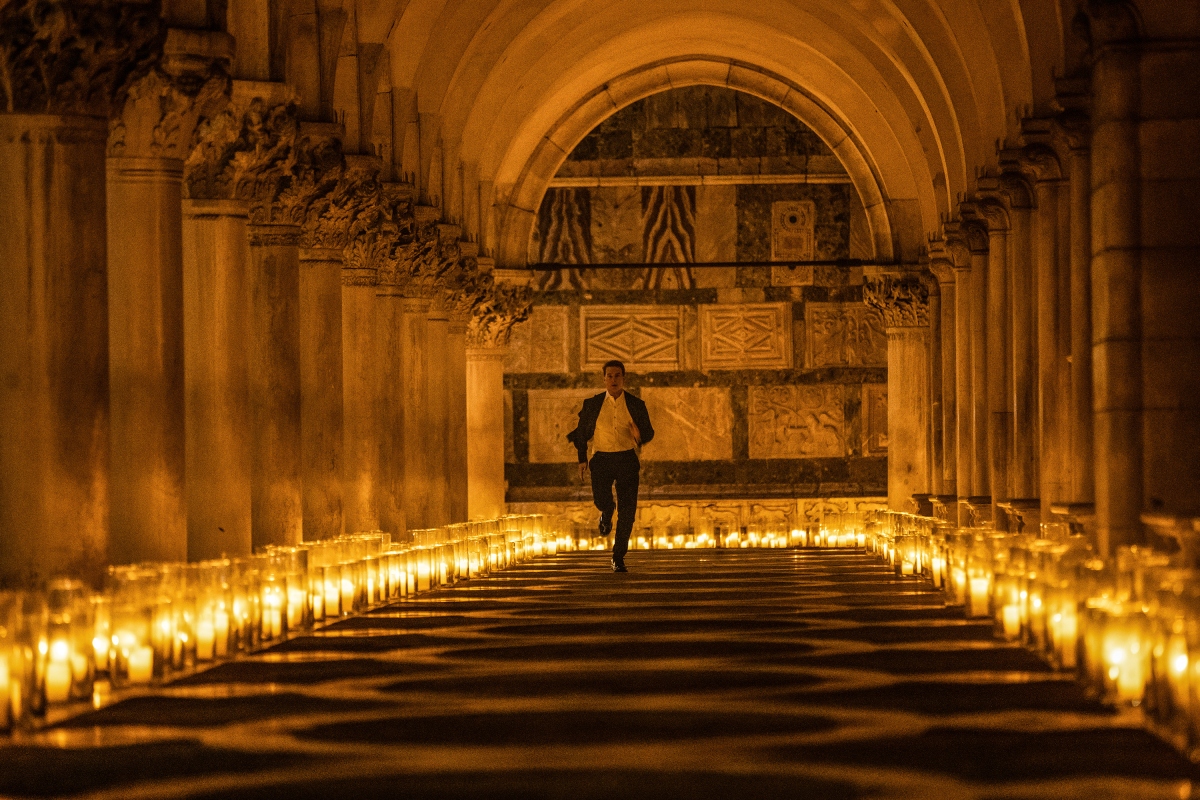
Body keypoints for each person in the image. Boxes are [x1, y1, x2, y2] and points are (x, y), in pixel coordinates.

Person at [566, 360, 654, 572]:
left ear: (623, 378)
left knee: (628, 512)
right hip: (602, 459)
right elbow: (581, 433)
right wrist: (582, 459)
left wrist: (639, 435)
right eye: (610, 376)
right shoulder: (593, 404)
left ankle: (618, 556)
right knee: (602, 499)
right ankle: (606, 512)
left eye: (618, 376)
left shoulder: (635, 404)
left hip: (626, 460)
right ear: (604, 378)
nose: (614, 379)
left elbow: (649, 432)